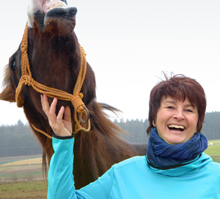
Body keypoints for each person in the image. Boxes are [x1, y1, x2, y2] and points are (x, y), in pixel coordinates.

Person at [41, 74, 220, 199]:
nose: (179, 116)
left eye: (189, 110)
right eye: (170, 107)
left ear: (198, 123)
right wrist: (63, 141)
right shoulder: (121, 175)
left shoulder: (216, 178)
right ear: (154, 119)